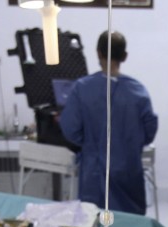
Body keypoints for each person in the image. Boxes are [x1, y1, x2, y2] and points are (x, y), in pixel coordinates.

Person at [59, 31, 158, 215]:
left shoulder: (82, 89)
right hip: (128, 173)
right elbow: (149, 131)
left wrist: (91, 145)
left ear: (98, 53)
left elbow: (70, 130)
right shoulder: (138, 91)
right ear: (125, 56)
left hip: (94, 175)